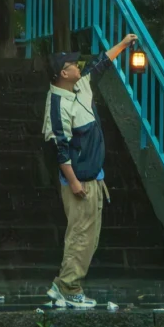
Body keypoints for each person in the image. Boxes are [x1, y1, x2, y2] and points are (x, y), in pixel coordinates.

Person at [42, 33, 138, 308]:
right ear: (63, 73)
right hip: (80, 180)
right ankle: (69, 287)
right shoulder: (57, 104)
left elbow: (100, 64)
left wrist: (123, 44)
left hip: (93, 176)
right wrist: (73, 182)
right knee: (80, 237)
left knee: (88, 237)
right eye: (73, 65)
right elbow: (60, 148)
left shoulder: (80, 84)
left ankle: (64, 285)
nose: (79, 66)